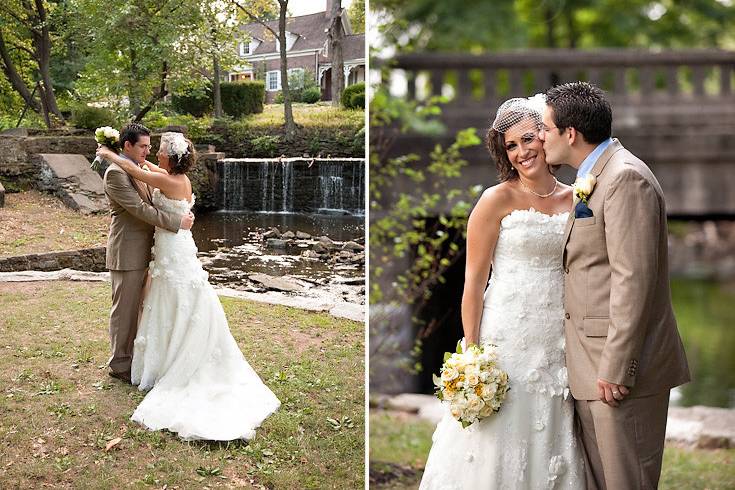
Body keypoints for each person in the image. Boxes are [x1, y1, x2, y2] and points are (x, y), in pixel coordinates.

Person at [419, 96, 585, 489]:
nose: (522, 152)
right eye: (511, 145)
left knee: (551, 421)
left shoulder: (578, 197)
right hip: (506, 333)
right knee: (499, 429)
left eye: (528, 139)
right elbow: (473, 285)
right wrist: (471, 355)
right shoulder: (495, 200)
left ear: (546, 137)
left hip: (557, 336)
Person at [540, 81, 690, 489]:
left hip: (618, 372)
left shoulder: (626, 179)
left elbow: (633, 278)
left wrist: (618, 366)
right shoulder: (594, 177)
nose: (540, 138)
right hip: (591, 367)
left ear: (570, 134)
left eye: (546, 129)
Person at [97, 132, 280, 441]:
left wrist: (109, 153)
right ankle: (133, 360)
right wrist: (118, 158)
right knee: (154, 304)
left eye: (159, 150)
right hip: (162, 247)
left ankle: (166, 360)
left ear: (172, 158)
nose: (153, 153)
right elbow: (142, 178)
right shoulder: (167, 174)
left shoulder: (166, 178)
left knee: (175, 301)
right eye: (146, 146)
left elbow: (139, 172)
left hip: (173, 249)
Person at [103, 123, 194, 384]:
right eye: (143, 146)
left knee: (144, 308)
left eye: (151, 146)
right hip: (128, 251)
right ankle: (119, 362)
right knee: (125, 311)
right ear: (127, 145)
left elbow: (154, 189)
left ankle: (136, 357)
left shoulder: (142, 169)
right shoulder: (116, 173)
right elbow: (140, 209)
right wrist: (177, 222)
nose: (149, 151)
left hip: (153, 251)